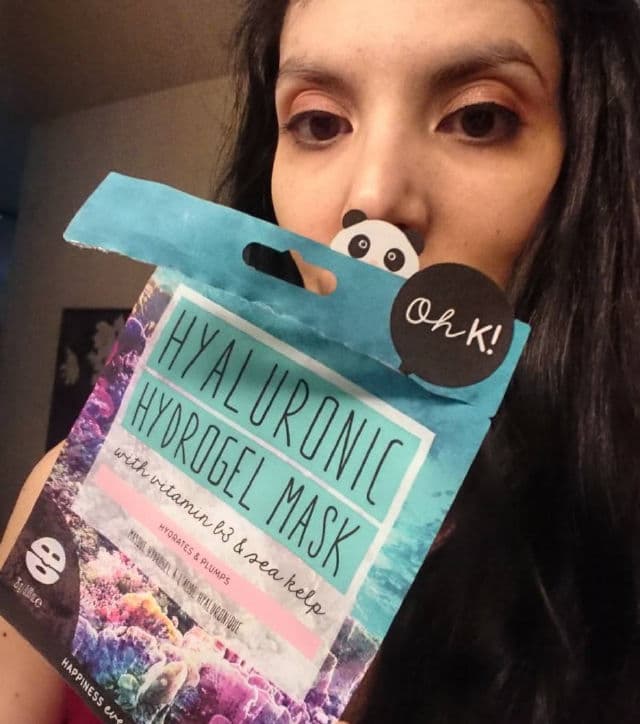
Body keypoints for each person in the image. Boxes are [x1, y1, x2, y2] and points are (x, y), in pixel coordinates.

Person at [2, 0, 640, 721]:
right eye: (319, 124)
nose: (373, 199)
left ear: (583, 165)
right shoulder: (77, 498)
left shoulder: (604, 588)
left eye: (478, 118)